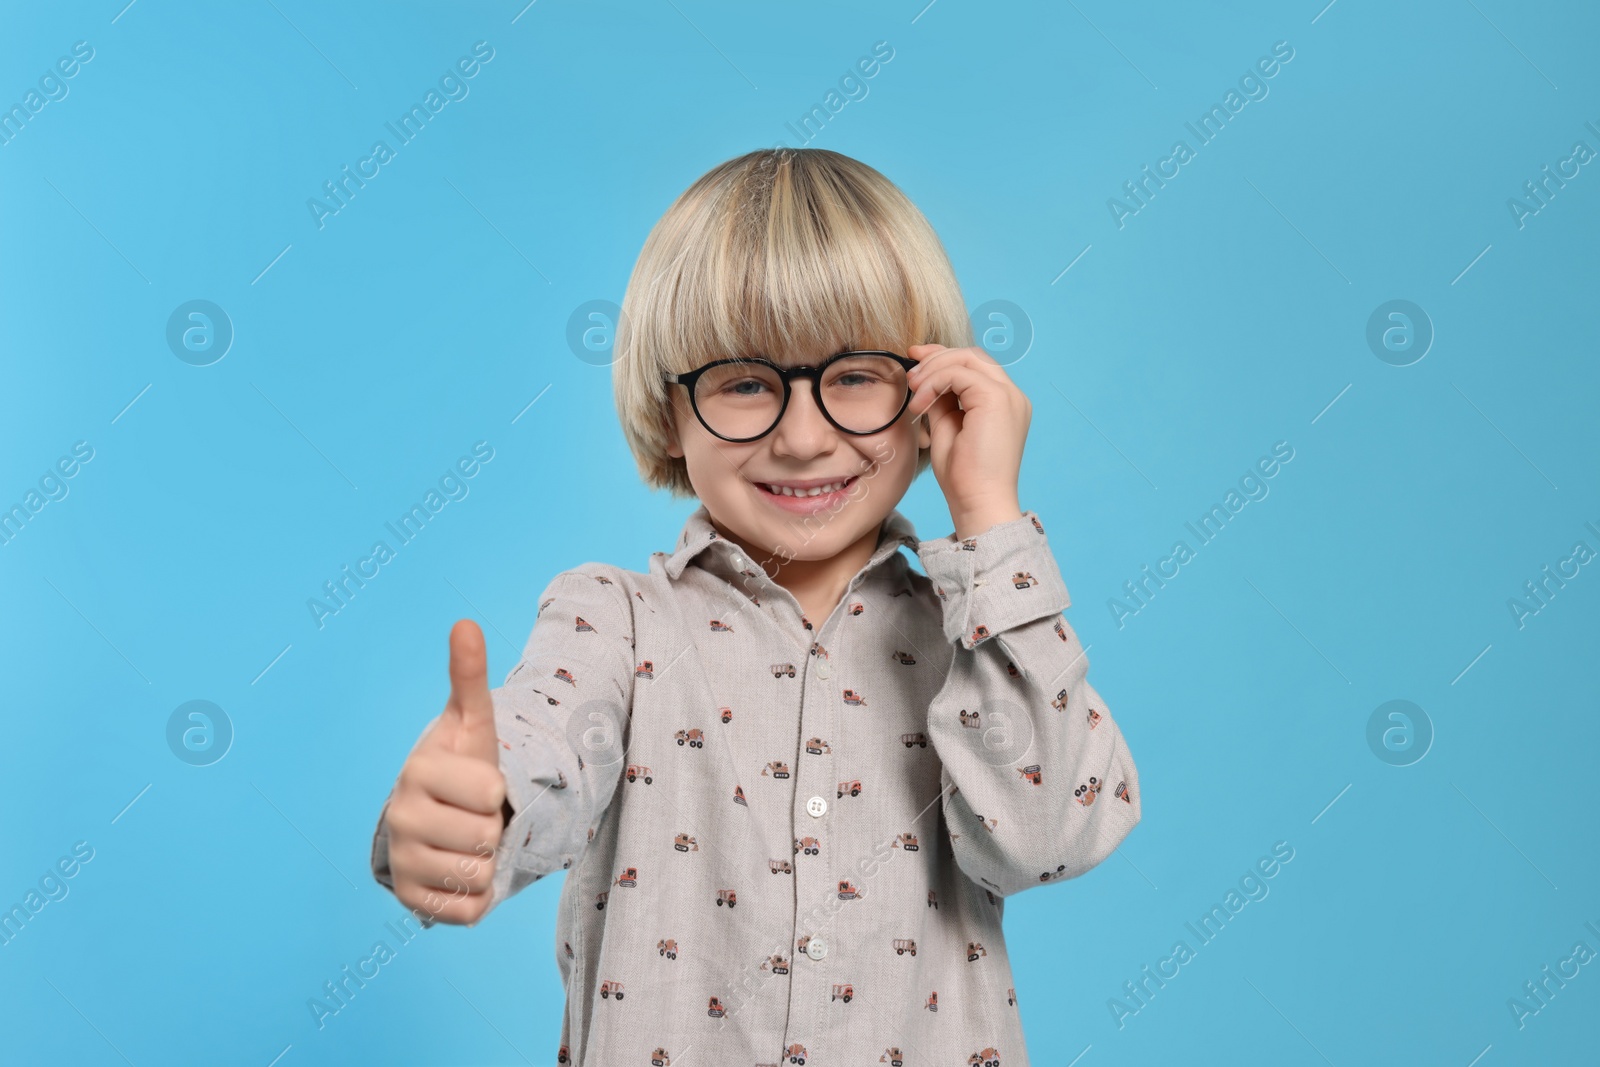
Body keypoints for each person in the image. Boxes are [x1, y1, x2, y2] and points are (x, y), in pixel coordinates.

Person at [369, 147, 1141, 1066]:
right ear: (670, 413)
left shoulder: (977, 637)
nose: (805, 437)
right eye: (744, 382)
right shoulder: (613, 619)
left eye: (855, 374)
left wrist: (989, 517)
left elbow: (1051, 835)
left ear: (929, 391)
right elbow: (542, 752)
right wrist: (471, 815)